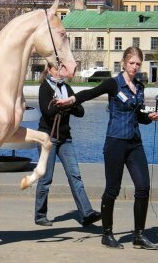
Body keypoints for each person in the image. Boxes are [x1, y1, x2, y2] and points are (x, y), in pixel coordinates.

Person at [56, 46, 158, 250]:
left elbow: (139, 116)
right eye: (132, 63)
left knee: (143, 187)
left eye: (138, 64)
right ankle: (107, 234)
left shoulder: (140, 86)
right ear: (123, 63)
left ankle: (139, 235)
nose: (135, 67)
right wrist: (72, 99)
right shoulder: (113, 84)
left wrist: (150, 117)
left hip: (134, 143)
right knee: (112, 189)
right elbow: (90, 92)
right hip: (115, 142)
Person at [34, 64, 101, 227]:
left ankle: (86, 213)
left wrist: (67, 104)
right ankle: (40, 215)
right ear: (49, 70)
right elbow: (47, 113)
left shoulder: (67, 88)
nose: (59, 72)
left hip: (65, 139)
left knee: (75, 175)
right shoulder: (45, 88)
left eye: (61, 69)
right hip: (47, 138)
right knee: (46, 178)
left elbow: (81, 112)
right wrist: (64, 106)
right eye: (56, 69)